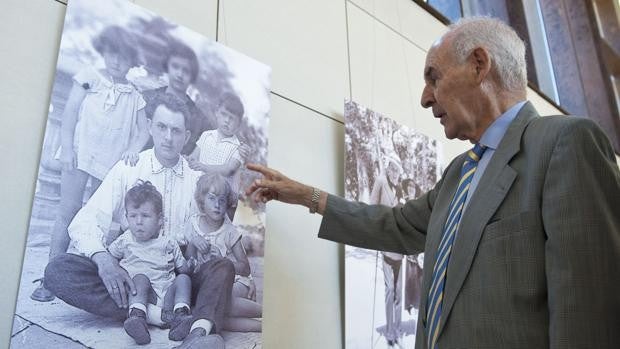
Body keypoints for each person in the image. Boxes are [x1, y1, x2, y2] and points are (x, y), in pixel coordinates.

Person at [246, 16, 620, 349]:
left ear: (478, 64)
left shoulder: (565, 144)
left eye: (433, 77)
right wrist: (307, 196)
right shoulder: (459, 172)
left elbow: (588, 312)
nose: (426, 98)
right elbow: (395, 226)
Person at [44, 93, 232, 348]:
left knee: (222, 268)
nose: (168, 137)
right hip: (134, 276)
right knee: (58, 270)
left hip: (180, 282)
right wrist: (104, 260)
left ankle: (197, 334)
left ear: (186, 137)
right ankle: (162, 316)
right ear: (150, 127)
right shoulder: (129, 168)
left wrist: (199, 252)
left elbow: (211, 224)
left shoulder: (194, 179)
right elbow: (85, 221)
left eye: (176, 131)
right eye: (162, 127)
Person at [32, 25, 149, 302]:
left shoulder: (134, 96)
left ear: (132, 62)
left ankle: (86, 275)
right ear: (104, 51)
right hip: (80, 155)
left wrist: (132, 150)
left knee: (97, 220)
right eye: (113, 54)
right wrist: (68, 148)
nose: (117, 61)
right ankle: (50, 277)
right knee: (68, 211)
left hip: (109, 164)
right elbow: (70, 113)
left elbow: (144, 130)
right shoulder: (89, 77)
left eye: (124, 57)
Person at [108, 181, 193, 345]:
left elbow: (182, 268)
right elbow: (110, 257)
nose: (138, 221)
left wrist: (191, 265)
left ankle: (181, 315)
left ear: (160, 220)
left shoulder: (168, 242)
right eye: (133, 216)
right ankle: (137, 318)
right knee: (140, 278)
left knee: (183, 279)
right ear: (127, 218)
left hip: (168, 296)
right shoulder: (125, 240)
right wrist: (118, 269)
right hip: (143, 296)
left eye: (145, 216)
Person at [186, 173, 262, 332]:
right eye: (212, 198)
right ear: (201, 201)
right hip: (206, 283)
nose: (217, 205)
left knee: (218, 302)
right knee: (212, 311)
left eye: (222, 200)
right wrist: (193, 245)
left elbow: (245, 268)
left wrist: (222, 260)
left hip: (234, 281)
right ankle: (264, 327)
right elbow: (188, 262)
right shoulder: (193, 224)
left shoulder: (229, 232)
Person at [142, 40, 216, 156]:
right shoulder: (146, 98)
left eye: (185, 71)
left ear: (192, 76)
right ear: (168, 67)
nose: (179, 74)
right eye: (175, 67)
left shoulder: (201, 122)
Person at [188, 91, 249, 218]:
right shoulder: (206, 135)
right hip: (198, 191)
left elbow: (228, 170)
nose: (227, 120)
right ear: (217, 113)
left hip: (218, 198)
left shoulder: (238, 147)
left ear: (238, 123)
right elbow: (193, 157)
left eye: (232, 118)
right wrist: (187, 159)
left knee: (212, 227)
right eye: (224, 114)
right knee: (193, 218)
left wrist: (203, 166)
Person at [370, 156, 405, 347]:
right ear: (390, 168)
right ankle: (390, 332)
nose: (397, 175)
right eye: (395, 171)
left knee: (399, 291)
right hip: (384, 242)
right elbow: (372, 207)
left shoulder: (397, 186)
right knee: (390, 289)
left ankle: (398, 330)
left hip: (398, 244)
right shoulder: (381, 181)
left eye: (399, 172)